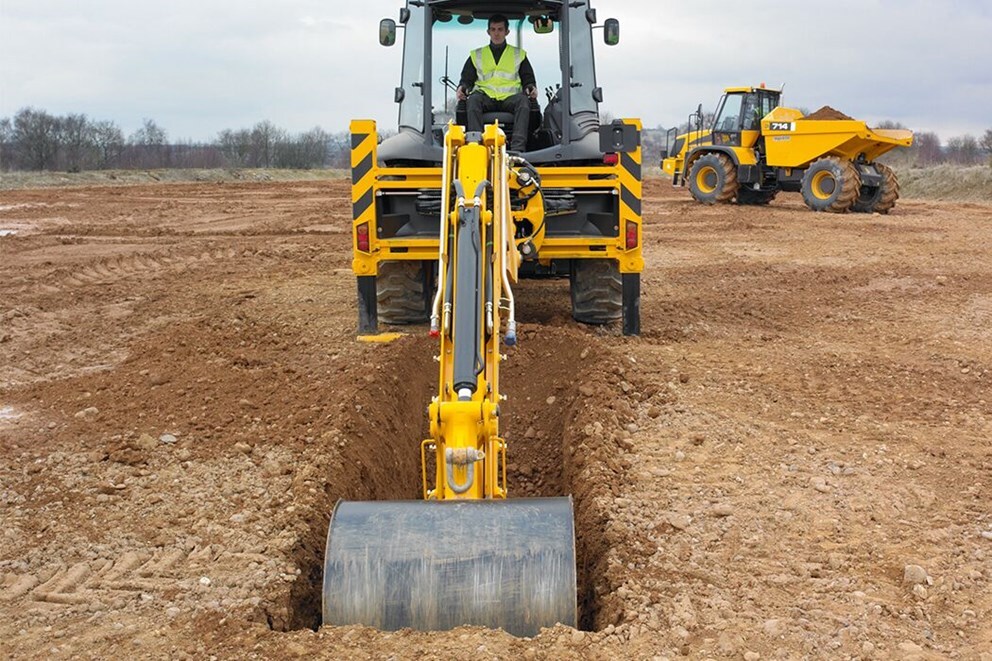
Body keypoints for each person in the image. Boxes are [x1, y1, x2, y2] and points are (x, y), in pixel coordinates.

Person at [456, 14, 537, 152]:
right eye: (493, 29)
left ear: (507, 32)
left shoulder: (519, 54)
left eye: (500, 29)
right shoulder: (477, 55)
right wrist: (462, 88)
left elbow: (527, 77)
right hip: (485, 98)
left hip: (510, 99)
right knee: (473, 99)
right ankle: (477, 147)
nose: (496, 33)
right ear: (488, 32)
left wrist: (531, 87)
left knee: (524, 101)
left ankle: (518, 148)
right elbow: (467, 79)